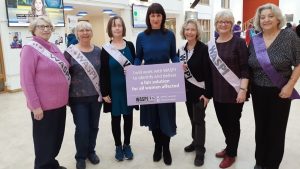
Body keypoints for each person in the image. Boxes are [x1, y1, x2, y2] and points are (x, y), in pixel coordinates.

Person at [248, 3, 300, 169]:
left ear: (278, 18)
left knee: (276, 129)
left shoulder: (289, 37)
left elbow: (299, 63)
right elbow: (249, 64)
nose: (266, 20)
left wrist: (290, 85)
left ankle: (272, 164)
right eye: (262, 17)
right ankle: (260, 161)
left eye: (270, 16)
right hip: (258, 90)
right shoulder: (255, 40)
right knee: (260, 127)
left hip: (280, 90)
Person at [20, 16, 70, 169]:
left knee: (56, 139)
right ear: (34, 29)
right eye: (42, 26)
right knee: (44, 141)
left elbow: (65, 68)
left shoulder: (53, 47)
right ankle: (43, 166)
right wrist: (35, 106)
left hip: (60, 104)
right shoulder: (29, 49)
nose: (46, 29)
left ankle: (51, 163)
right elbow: (26, 80)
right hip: (43, 107)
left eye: (48, 26)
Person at [134, 3, 179, 166]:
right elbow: (138, 57)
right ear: (148, 17)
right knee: (153, 117)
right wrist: (134, 67)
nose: (155, 18)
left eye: (158, 15)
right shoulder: (141, 36)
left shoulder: (169, 35)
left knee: (165, 116)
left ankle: (166, 148)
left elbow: (173, 56)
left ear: (162, 17)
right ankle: (157, 146)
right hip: (148, 80)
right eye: (152, 15)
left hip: (166, 80)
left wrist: (178, 64)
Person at [207, 10, 249, 168]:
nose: (223, 24)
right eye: (220, 22)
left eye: (226, 22)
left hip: (234, 92)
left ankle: (231, 154)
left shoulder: (239, 43)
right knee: (223, 122)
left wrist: (243, 90)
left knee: (232, 124)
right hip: (218, 93)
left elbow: (245, 68)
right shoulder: (212, 44)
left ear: (232, 24)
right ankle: (229, 146)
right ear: (216, 24)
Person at [64, 21, 102, 169]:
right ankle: (80, 156)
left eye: (88, 30)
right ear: (77, 34)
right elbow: (63, 75)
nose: (85, 33)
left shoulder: (98, 51)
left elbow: (103, 74)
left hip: (96, 97)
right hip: (77, 98)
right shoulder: (69, 52)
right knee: (82, 129)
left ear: (91, 33)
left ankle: (91, 151)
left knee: (94, 127)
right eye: (81, 30)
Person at [100, 16, 138, 161]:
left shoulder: (130, 46)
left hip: (129, 90)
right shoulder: (106, 49)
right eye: (114, 26)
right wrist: (104, 92)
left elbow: (135, 65)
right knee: (115, 119)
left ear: (123, 28)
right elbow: (103, 72)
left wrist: (133, 70)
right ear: (110, 29)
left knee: (128, 118)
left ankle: (127, 144)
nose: (117, 28)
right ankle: (118, 146)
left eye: (120, 25)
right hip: (113, 92)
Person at [178, 19, 212, 167]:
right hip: (187, 91)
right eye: (187, 29)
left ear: (197, 32)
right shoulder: (181, 50)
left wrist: (208, 95)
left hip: (200, 93)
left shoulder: (203, 49)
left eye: (192, 29)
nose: (189, 32)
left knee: (199, 120)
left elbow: (209, 73)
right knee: (192, 119)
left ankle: (200, 150)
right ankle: (195, 141)